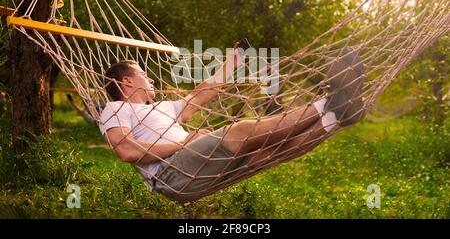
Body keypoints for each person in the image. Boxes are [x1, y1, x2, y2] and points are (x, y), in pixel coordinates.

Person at [100, 45, 365, 202]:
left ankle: (336, 117)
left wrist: (233, 59)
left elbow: (204, 92)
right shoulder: (115, 108)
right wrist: (184, 142)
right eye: (144, 75)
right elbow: (126, 150)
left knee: (268, 153)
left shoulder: (163, 107)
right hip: (172, 176)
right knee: (239, 130)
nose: (151, 80)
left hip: (196, 169)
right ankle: (332, 100)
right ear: (127, 82)